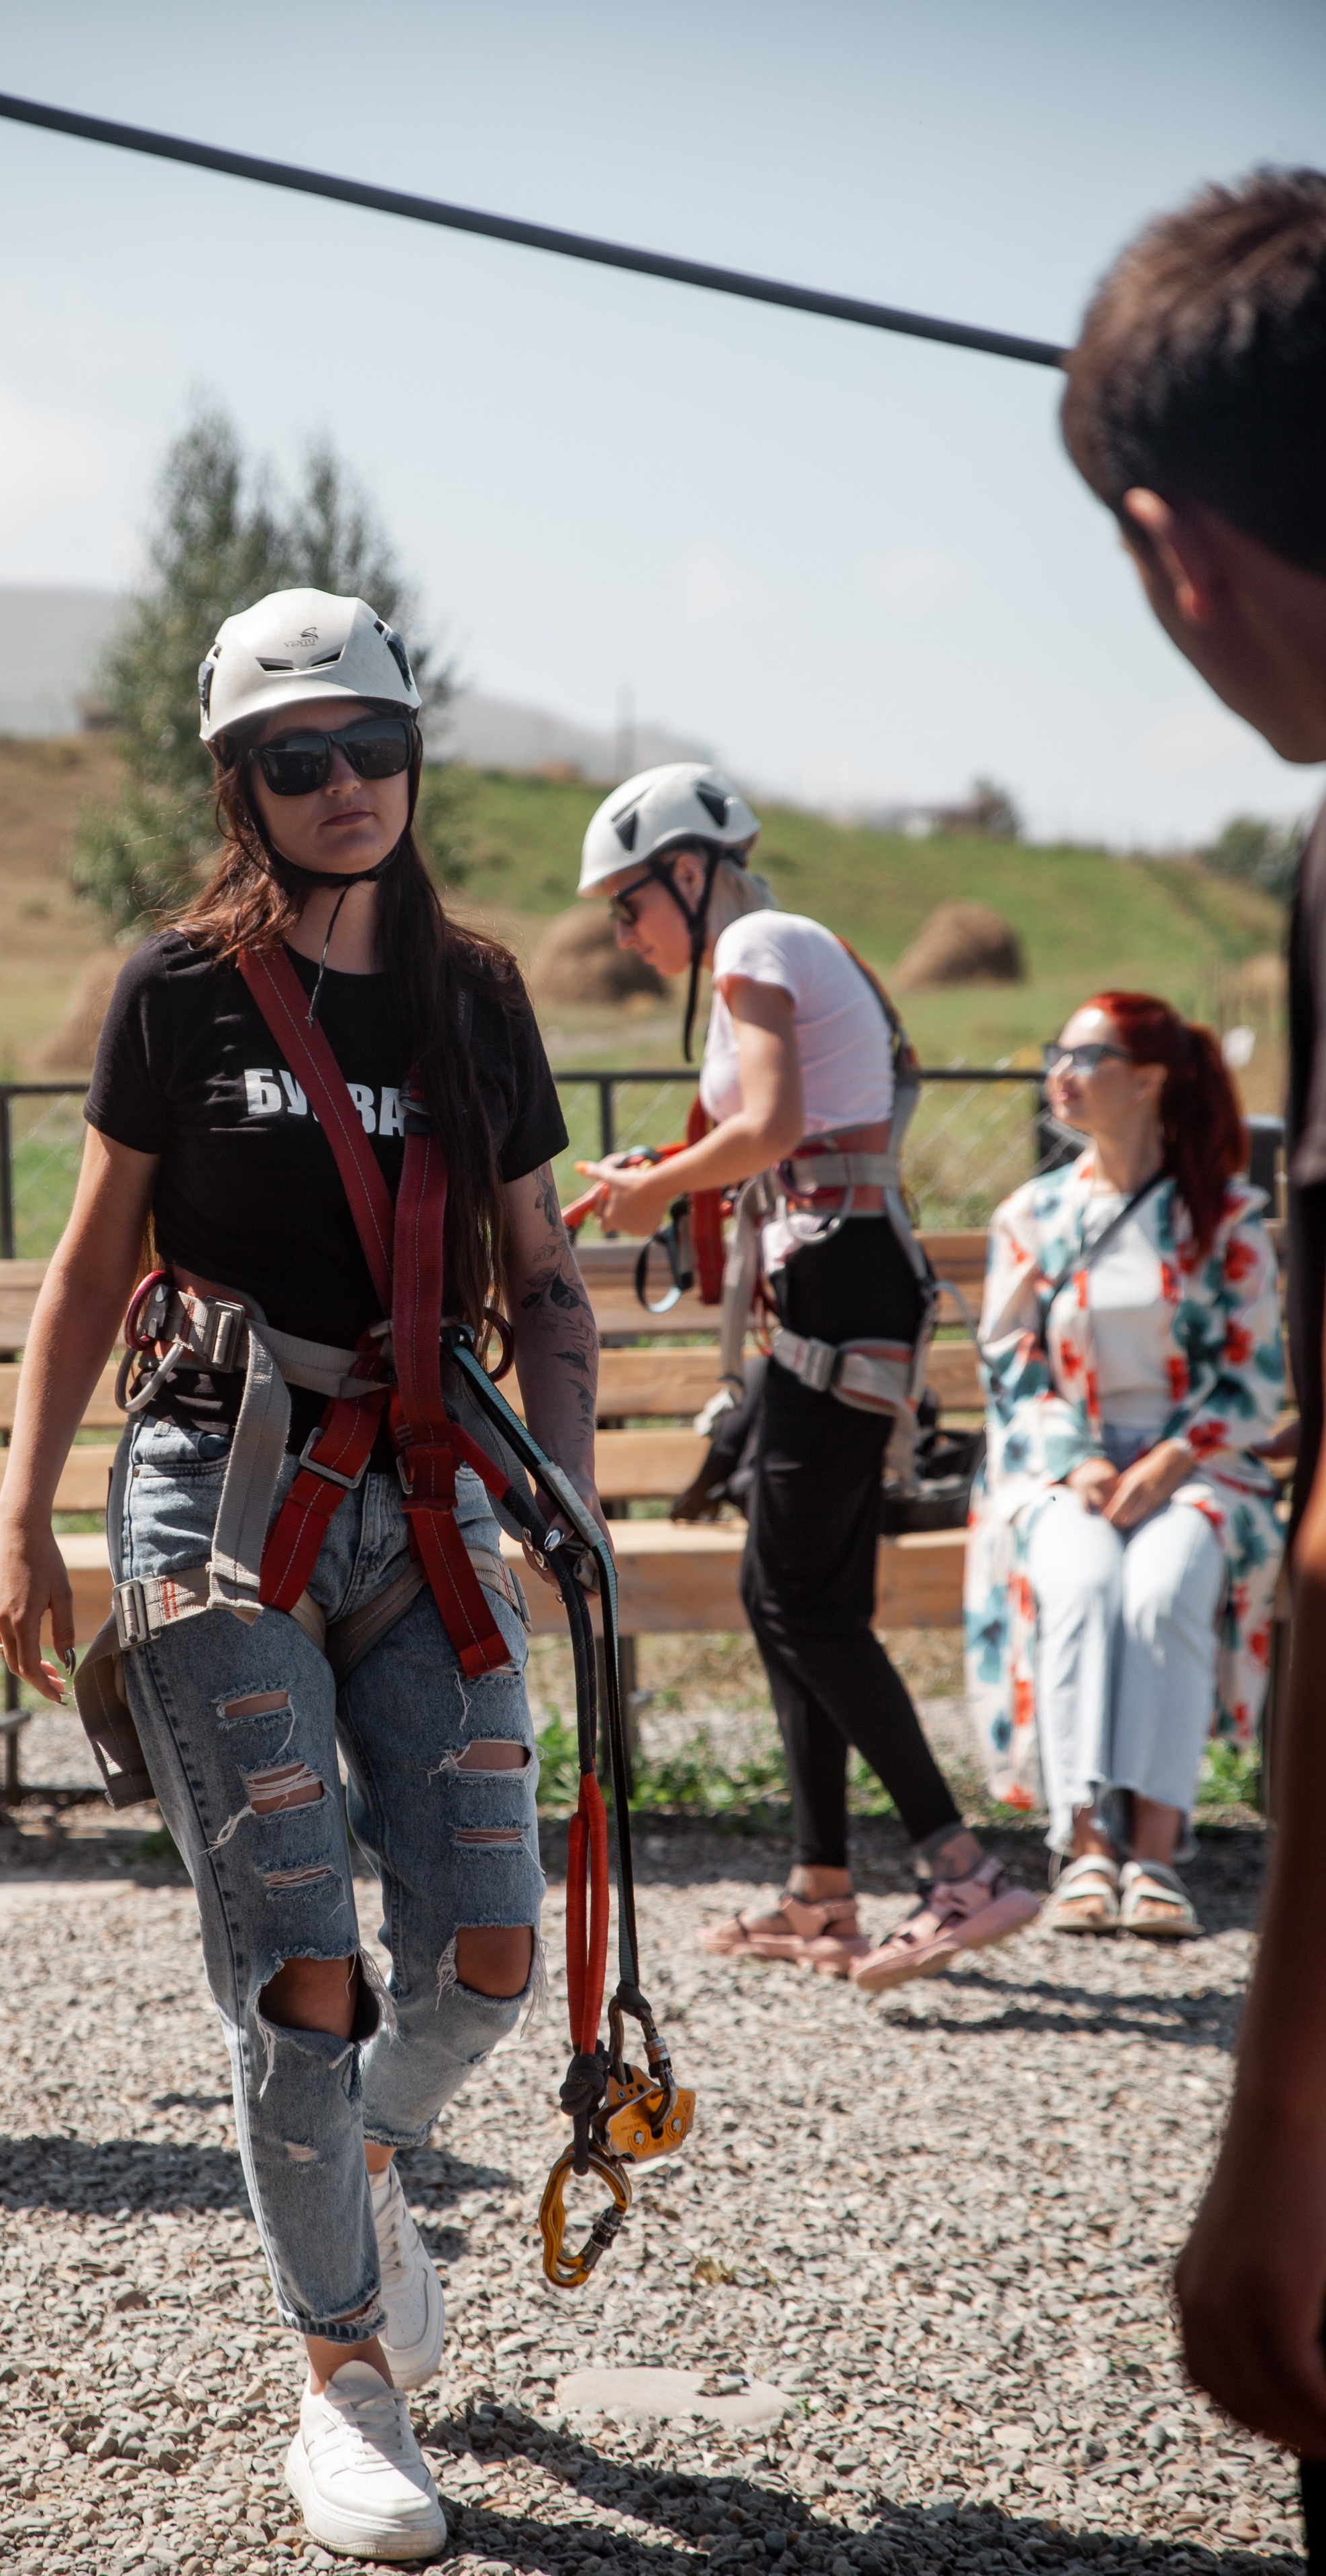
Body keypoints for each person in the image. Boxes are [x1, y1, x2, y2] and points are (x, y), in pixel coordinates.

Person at [0, 589, 598, 2565]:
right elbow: (90, 1265)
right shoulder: (177, 991)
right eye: (298, 757)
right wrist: (19, 1516)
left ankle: (363, 2161)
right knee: (299, 1969)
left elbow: (545, 1278)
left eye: (374, 748)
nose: (347, 785)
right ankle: (341, 2375)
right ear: (239, 786)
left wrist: (567, 1500)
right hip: (214, 1498)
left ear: (415, 761)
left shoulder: (476, 997)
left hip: (428, 1497)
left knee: (489, 1954)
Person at [1052, 165, 1326, 2508]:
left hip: (1217, 1482)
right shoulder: (1051, 1215)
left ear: (1179, 552)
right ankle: (1094, 1845)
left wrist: (1284, 2117)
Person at [573, 763, 1038, 1993]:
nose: (622, 935)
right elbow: (785, 1133)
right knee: (787, 1586)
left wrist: (658, 1189)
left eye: (629, 904)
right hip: (838, 1280)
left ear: (689, 871)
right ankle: (822, 1892)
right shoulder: (769, 953)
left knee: (798, 1598)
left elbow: (773, 1127)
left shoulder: (753, 946)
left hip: (839, 1286)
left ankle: (962, 1871)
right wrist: (668, 1174)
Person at [966, 994, 1283, 1938]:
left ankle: (1156, 1850)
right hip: (1063, 1467)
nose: (1060, 1073)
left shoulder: (1224, 1217)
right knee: (1082, 1583)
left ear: (1149, 1079)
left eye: (1087, 1056)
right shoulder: (1033, 1215)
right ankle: (1086, 1846)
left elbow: (1254, 1376)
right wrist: (1078, 1461)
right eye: (1057, 1054)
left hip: (1200, 1464)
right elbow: (1009, 1360)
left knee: (1164, 1587)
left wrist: (1175, 1457)